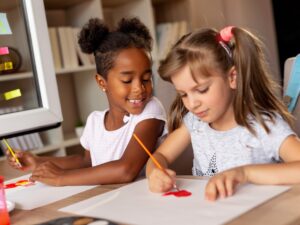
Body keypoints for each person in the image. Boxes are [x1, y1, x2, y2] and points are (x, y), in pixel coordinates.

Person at [146, 26, 300, 201]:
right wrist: (155, 172)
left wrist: (244, 174)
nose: (192, 104)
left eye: (202, 90)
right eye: (183, 94)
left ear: (232, 77)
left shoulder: (263, 126)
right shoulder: (194, 123)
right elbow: (160, 156)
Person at [8, 17, 166, 186]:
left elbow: (126, 170)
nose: (139, 88)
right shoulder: (95, 121)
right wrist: (37, 161)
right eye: (127, 80)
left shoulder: (150, 111)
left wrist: (62, 178)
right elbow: (86, 162)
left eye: (146, 79)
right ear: (101, 82)